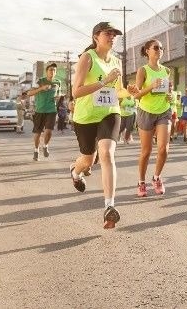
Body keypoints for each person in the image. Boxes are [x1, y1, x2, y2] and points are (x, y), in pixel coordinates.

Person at [68, 22, 125, 229]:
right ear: (96, 37)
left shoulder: (116, 62)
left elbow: (118, 92)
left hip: (109, 113)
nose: (112, 37)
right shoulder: (87, 58)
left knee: (107, 154)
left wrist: (131, 92)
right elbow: (77, 91)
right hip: (85, 117)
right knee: (88, 160)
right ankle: (75, 172)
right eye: (108, 34)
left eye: (115, 35)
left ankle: (109, 207)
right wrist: (103, 82)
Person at [134, 39, 173, 197]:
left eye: (161, 48)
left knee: (163, 149)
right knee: (146, 151)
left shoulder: (166, 70)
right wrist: (151, 86)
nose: (159, 50)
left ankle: (156, 177)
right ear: (147, 51)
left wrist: (169, 96)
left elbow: (167, 91)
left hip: (164, 111)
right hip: (146, 111)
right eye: (156, 48)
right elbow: (136, 94)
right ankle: (141, 181)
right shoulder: (142, 71)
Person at [26, 62, 60, 161]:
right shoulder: (39, 81)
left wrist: (57, 97)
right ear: (46, 72)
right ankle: (36, 150)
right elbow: (29, 93)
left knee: (49, 131)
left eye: (54, 70)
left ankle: (45, 146)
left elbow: (59, 93)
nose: (52, 72)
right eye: (50, 70)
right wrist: (41, 88)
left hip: (51, 110)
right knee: (38, 133)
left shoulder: (57, 82)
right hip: (40, 110)